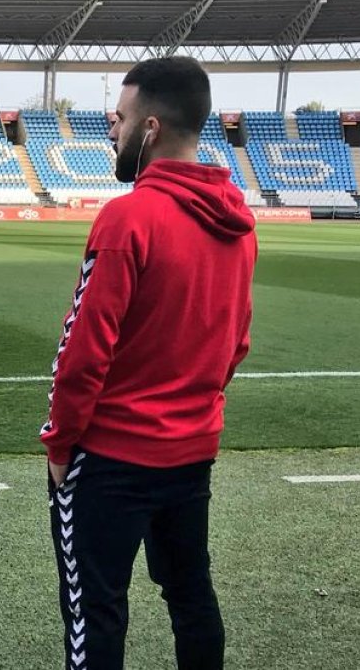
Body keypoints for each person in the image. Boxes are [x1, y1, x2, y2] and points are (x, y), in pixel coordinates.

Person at [39, 56, 257, 670]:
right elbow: (236, 343)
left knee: (95, 610)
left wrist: (60, 447)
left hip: (110, 458)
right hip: (192, 451)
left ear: (151, 128)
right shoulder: (240, 223)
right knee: (190, 595)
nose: (112, 129)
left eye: (119, 117)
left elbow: (83, 350)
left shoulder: (128, 216)